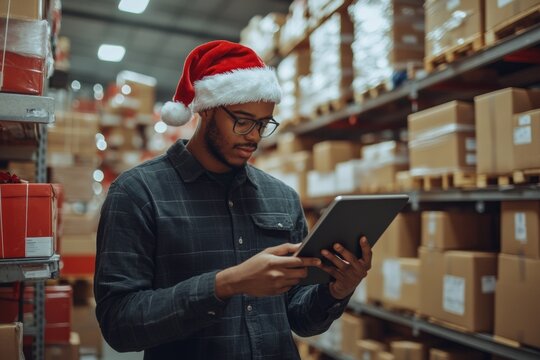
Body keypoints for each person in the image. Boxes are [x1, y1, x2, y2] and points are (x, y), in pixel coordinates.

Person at [94, 40, 372, 360]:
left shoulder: (281, 198)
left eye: (263, 123)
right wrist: (225, 284)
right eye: (243, 120)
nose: (254, 135)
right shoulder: (138, 194)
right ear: (208, 109)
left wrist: (334, 292)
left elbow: (298, 317)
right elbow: (119, 324)